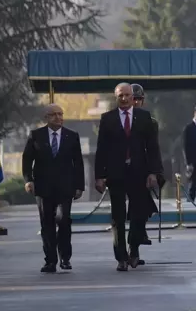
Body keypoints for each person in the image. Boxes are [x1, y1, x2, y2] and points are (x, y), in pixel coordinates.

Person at [94, 83, 162, 271]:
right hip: (116, 174)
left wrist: (153, 172)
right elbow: (101, 149)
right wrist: (99, 176)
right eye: (120, 96)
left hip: (139, 173)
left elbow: (153, 148)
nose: (123, 99)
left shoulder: (144, 117)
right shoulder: (107, 119)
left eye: (127, 95)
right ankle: (121, 257)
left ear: (133, 97)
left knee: (139, 214)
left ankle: (134, 248)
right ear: (116, 97)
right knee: (118, 216)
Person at [22, 104, 85, 273]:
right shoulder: (36, 136)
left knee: (63, 219)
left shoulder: (72, 136)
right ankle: (50, 260)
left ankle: (65, 257)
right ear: (46, 118)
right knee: (47, 223)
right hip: (43, 188)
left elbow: (78, 163)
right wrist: (29, 180)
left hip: (65, 187)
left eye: (60, 114)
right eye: (53, 115)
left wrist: (79, 186)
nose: (58, 117)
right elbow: (27, 160)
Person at [130, 83, 161, 251]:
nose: (135, 102)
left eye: (139, 99)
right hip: (122, 170)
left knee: (141, 207)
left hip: (142, 171)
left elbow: (153, 148)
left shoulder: (150, 121)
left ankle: (136, 243)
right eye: (133, 99)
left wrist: (155, 172)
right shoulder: (117, 119)